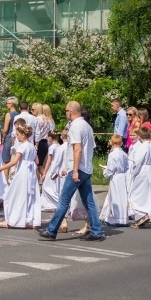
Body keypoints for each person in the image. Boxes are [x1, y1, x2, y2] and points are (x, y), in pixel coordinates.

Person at [36, 101, 104, 241]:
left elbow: (77, 148)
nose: (65, 113)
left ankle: (52, 230)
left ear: (71, 112)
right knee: (88, 200)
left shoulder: (75, 127)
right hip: (86, 168)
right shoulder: (87, 126)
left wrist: (74, 170)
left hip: (78, 168)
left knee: (63, 200)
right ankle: (96, 231)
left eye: (66, 110)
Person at [0, 124, 41, 228]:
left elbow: (15, 161)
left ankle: (13, 220)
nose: (17, 136)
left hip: (23, 172)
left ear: (23, 135)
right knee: (29, 196)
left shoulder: (22, 146)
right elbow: (37, 161)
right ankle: (29, 219)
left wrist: (1, 168)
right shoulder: (32, 146)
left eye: (18, 134)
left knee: (14, 195)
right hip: (31, 173)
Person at [99, 134, 130, 226]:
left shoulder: (112, 155)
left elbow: (111, 168)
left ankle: (117, 219)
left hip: (115, 177)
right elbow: (127, 166)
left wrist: (105, 170)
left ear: (111, 143)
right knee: (122, 197)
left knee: (115, 197)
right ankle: (122, 218)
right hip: (123, 176)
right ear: (121, 143)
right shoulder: (124, 154)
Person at [40, 131, 64, 211]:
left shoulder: (51, 147)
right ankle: (52, 202)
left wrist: (44, 173)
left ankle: (53, 202)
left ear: (50, 137)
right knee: (54, 186)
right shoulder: (59, 146)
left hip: (52, 168)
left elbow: (49, 161)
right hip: (59, 168)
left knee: (46, 186)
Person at [1, 97, 18, 176]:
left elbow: (5, 129)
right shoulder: (18, 114)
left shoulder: (8, 115)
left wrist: (3, 138)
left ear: (11, 104)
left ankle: (6, 182)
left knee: (6, 161)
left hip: (9, 138)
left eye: (7, 103)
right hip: (16, 139)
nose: (6, 105)